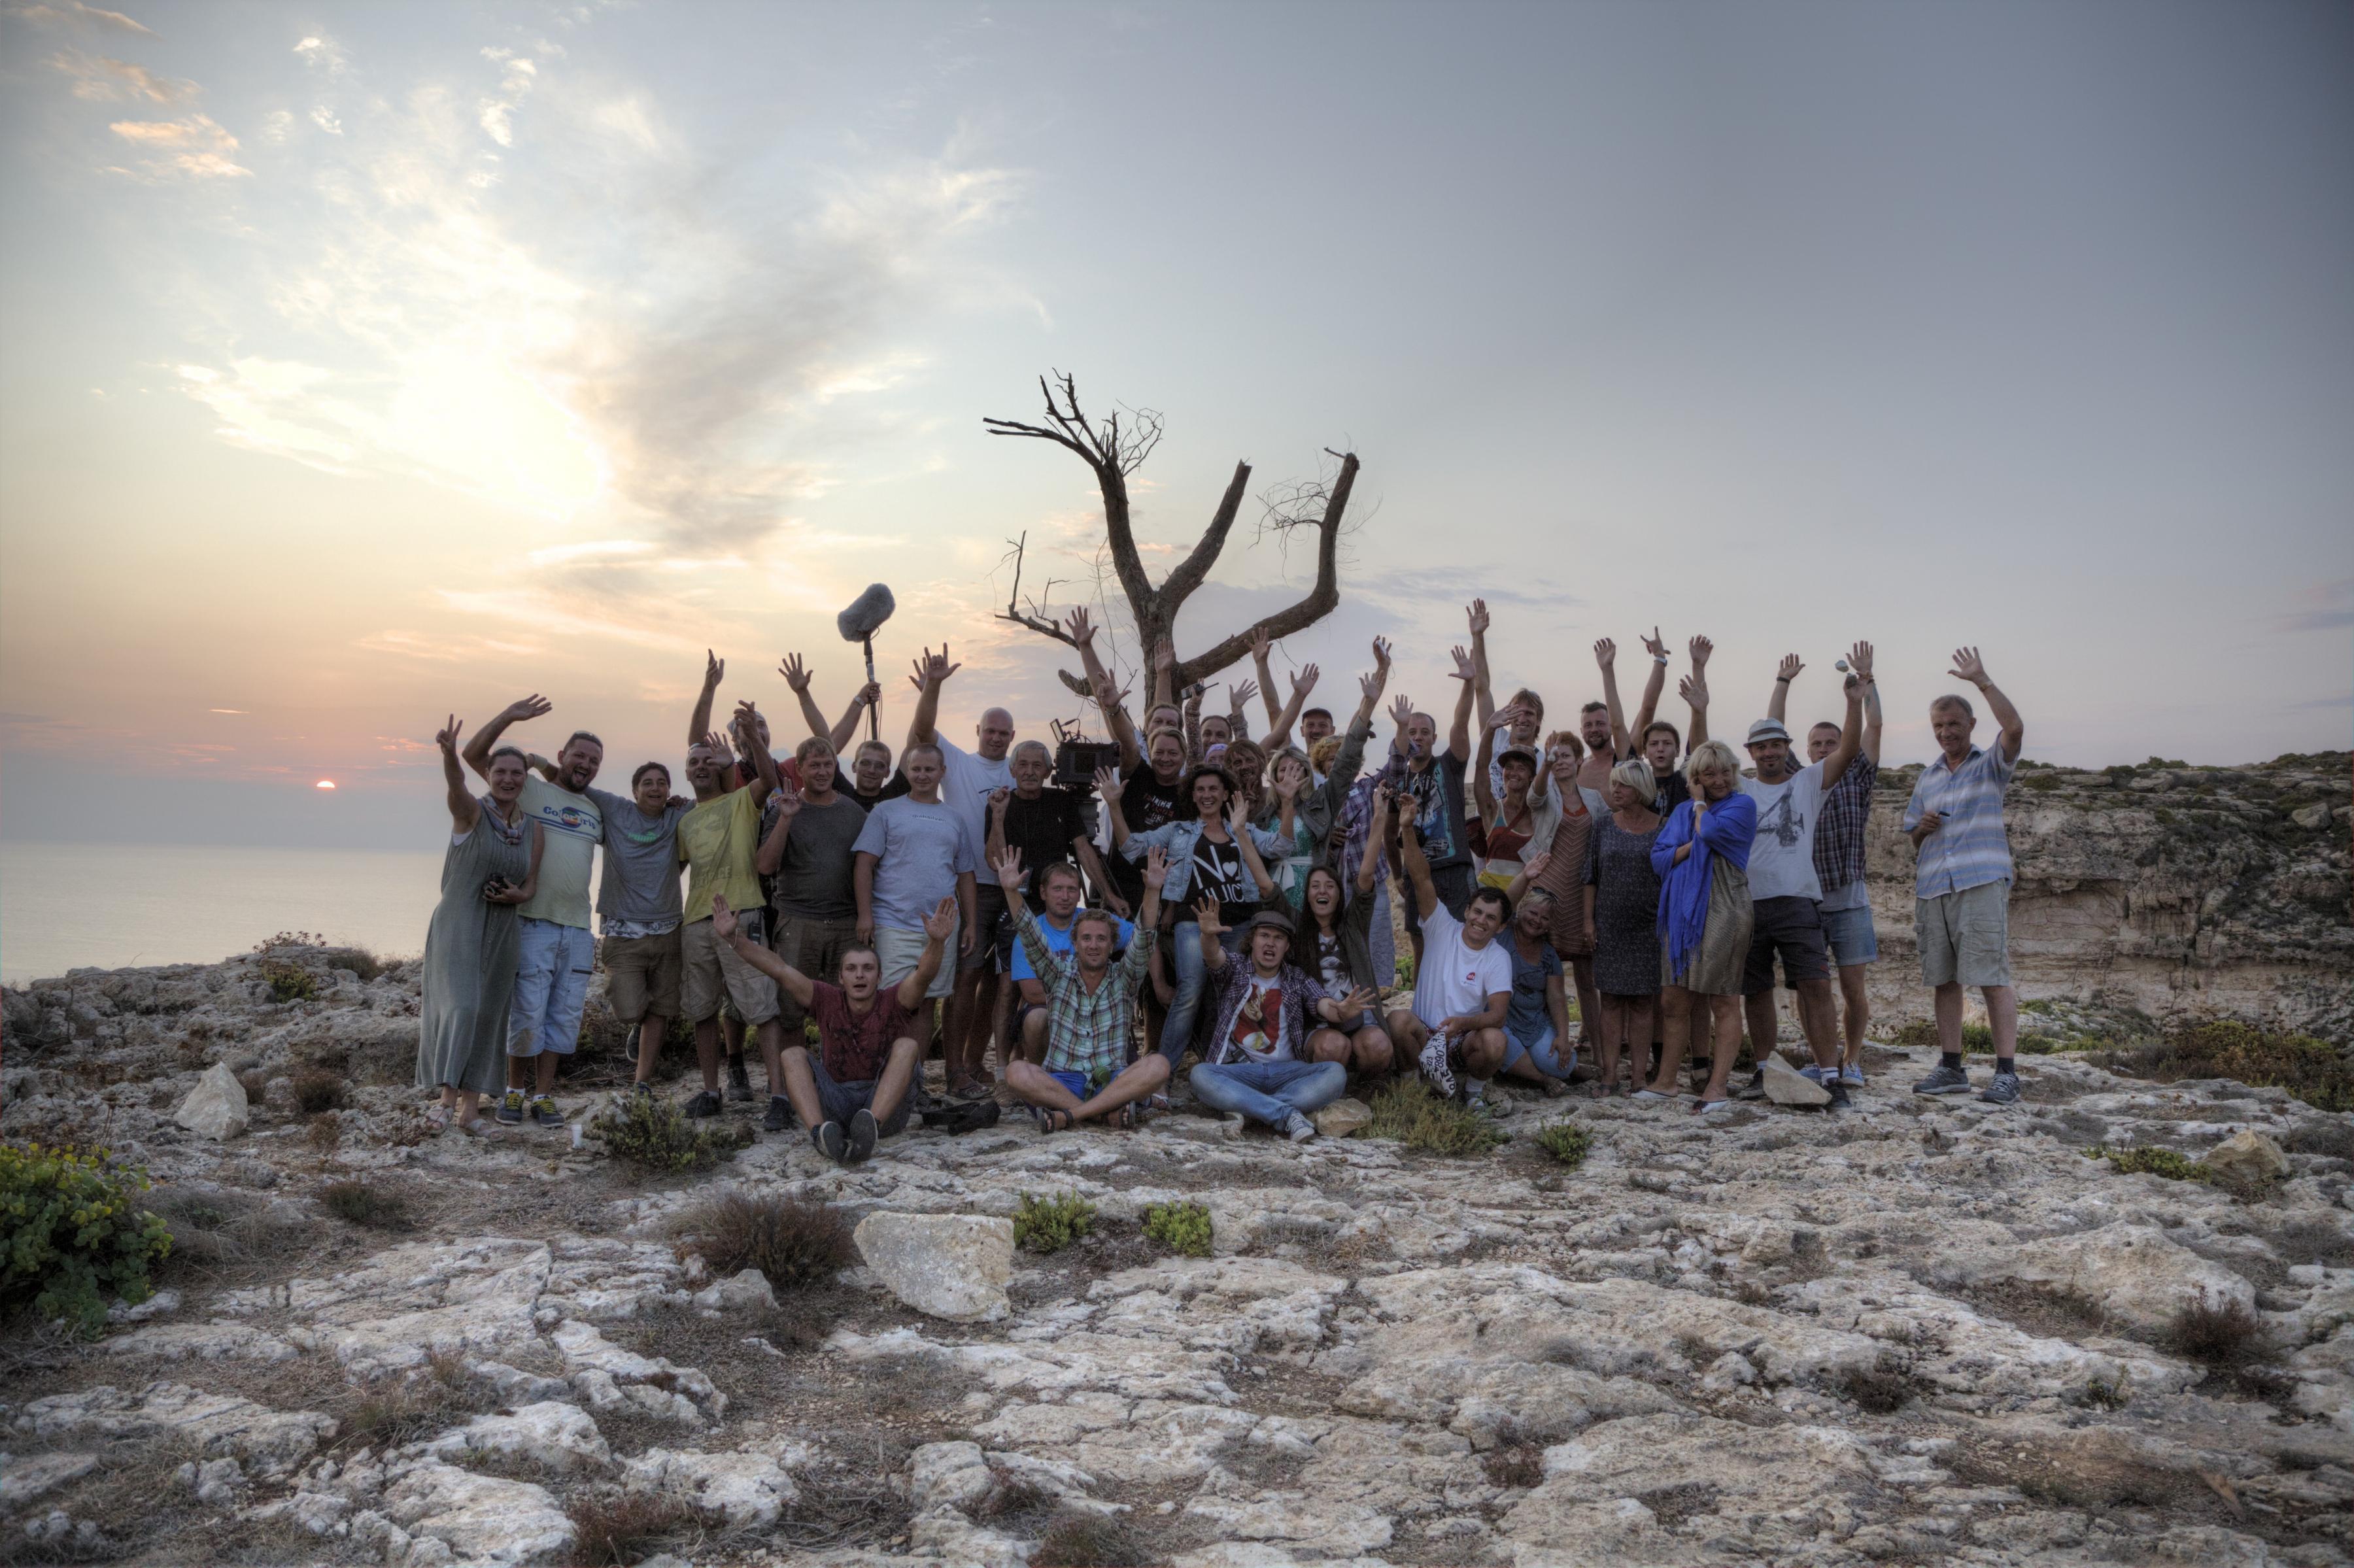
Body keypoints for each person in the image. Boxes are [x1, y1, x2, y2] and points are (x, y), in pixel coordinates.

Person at [710, 892, 953, 1165]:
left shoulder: (894, 999)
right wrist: (734, 939)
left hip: (885, 1108)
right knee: (792, 1054)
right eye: (851, 969)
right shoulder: (826, 998)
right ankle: (820, 1134)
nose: (859, 975)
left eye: (868, 969)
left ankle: (869, 1127)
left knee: (908, 1046)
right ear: (840, 977)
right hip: (836, 1104)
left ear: (879, 977)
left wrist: (936, 941)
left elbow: (923, 976)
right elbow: (779, 969)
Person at [1732, 643, 1869, 1110]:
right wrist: (1700, 707)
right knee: (1756, 991)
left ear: (1787, 750)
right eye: (1761, 746)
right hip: (1750, 902)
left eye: (1777, 744)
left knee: (1814, 986)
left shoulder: (1807, 783)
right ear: (1751, 752)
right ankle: (1765, 1070)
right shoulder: (1741, 788)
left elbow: (1848, 751)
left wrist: (1854, 703)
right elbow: (1701, 754)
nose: (1769, 751)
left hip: (1797, 900)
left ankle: (1830, 1075)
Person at [462, 694, 604, 1129]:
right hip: (532, 922)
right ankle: (514, 1092)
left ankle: (544, 1096)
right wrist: (509, 716)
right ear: (562, 756)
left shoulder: (596, 810)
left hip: (578, 928)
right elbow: (474, 757)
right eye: (578, 755)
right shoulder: (531, 789)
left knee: (564, 1017)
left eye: (593, 760)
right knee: (527, 1012)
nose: (585, 764)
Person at [1903, 647, 2026, 1105]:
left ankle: (2007, 1073)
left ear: (1971, 725)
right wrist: (1922, 828)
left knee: (1992, 975)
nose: (1946, 732)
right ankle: (1951, 1068)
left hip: (1980, 882)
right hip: (1935, 886)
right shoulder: (1928, 778)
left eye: (1953, 724)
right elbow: (1913, 838)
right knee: (1944, 979)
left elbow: (2014, 729)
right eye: (1938, 726)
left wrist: (1982, 681)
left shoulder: (1990, 764)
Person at [1104, 761, 1282, 1064]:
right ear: (1192, 794)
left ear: (1225, 793)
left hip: (1238, 923)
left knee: (1238, 992)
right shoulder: (1178, 831)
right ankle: (1162, 1072)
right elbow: (1132, 847)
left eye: (1213, 789)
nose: (1206, 795)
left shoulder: (1243, 829)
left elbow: (1280, 847)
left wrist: (1287, 802)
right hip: (1193, 922)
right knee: (1190, 991)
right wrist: (1113, 806)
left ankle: (1231, 1065)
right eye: (1200, 789)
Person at [904, 643, 1017, 1097]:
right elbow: (922, 730)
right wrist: (932, 686)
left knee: (997, 982)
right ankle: (953, 1068)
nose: (996, 738)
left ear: (1012, 736)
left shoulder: (1019, 771)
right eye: (990, 731)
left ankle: (973, 1062)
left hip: (1011, 890)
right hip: (968, 888)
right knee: (964, 978)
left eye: (1003, 733)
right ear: (978, 731)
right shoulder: (959, 764)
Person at [418, 719, 542, 1132]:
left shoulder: (533, 829)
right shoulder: (471, 813)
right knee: (464, 1007)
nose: (508, 779)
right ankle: (445, 1100)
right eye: (500, 771)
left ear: (525, 779)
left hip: (503, 929)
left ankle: (470, 1111)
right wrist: (450, 756)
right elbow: (456, 786)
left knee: (490, 1014)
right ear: (487, 775)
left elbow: (531, 886)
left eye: (516, 773)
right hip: (460, 923)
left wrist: (518, 896)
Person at [1769, 651, 1884, 1087]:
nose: (1823, 749)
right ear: (1807, 750)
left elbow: (1874, 728)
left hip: (1850, 898)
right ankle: (1823, 1060)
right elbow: (1774, 729)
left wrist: (1867, 684)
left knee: (1853, 989)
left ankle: (1851, 1060)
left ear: (1842, 745)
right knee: (1809, 987)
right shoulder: (1799, 780)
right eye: (1816, 743)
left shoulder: (1858, 776)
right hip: (1807, 902)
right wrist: (1783, 681)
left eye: (1830, 743)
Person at [998, 845, 1172, 1131]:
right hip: (1063, 1080)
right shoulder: (1056, 973)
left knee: (1159, 1065)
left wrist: (1152, 890)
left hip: (1111, 1079)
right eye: (1087, 938)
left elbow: (1144, 939)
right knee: (1016, 1072)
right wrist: (1011, 891)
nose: (1094, 945)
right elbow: (1030, 933)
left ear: (1112, 945)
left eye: (1101, 939)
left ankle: (1070, 1115)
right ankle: (1102, 1114)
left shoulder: (1125, 976)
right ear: (1075, 943)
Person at [677, 697, 787, 1125]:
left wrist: (750, 737)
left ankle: (778, 1096)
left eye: (709, 760)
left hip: (744, 916)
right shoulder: (684, 821)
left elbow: (770, 778)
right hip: (696, 922)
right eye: (694, 762)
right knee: (702, 1010)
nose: (702, 766)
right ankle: (711, 1091)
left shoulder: (743, 800)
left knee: (762, 1008)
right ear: (687, 772)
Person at [853, 738, 981, 1076]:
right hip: (893, 922)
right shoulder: (886, 811)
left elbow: (965, 874)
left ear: (942, 772)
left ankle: (914, 1081)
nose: (922, 775)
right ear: (907, 771)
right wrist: (865, 915)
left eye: (929, 769)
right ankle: (883, 1078)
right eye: (916, 769)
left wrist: (971, 923)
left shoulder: (954, 819)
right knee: (891, 1002)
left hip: (941, 929)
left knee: (926, 1003)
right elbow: (864, 863)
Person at [1641, 740, 1756, 1112]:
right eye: (1709, 774)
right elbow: (1659, 858)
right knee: (1674, 1000)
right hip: (1681, 914)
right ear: (1696, 778)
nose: (1720, 780)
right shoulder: (1681, 812)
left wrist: (1700, 807)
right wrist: (1690, 844)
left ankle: (1717, 1088)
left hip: (1725, 906)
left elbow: (1709, 832)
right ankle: (1666, 1082)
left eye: (1725, 772)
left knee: (1723, 999)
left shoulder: (1742, 805)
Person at [1188, 906, 1353, 1140]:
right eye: (1264, 936)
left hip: (1286, 1072)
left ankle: (1252, 1108)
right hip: (1239, 1071)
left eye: (1278, 938)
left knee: (1336, 1073)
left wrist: (1340, 1011)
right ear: (1252, 940)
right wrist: (1207, 935)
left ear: (1287, 947)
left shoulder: (1296, 977)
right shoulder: (1235, 968)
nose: (1271, 943)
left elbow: (1321, 1002)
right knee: (1200, 1075)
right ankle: (1286, 1114)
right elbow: (1214, 956)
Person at [1388, 798, 1514, 1102]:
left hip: (1461, 1039)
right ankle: (1412, 1086)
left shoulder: (1498, 956)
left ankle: (1472, 1094)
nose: (1481, 921)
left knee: (1496, 1041)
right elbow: (1421, 878)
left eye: (1491, 918)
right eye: (1477, 912)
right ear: (1467, 910)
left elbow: (1498, 1015)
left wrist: (1462, 1025)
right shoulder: (1441, 926)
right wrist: (1407, 829)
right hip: (1424, 1033)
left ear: (1500, 927)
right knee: (1398, 1020)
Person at [582, 761, 690, 1098]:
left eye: (662, 783)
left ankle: (641, 1082)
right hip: (623, 931)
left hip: (669, 929)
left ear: (669, 790)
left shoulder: (678, 815)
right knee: (630, 1010)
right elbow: (575, 784)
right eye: (647, 783)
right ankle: (637, 1027)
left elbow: (716, 797)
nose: (655, 788)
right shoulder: (616, 809)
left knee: (661, 1009)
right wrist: (538, 763)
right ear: (634, 790)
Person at [1254, 639, 1390, 908]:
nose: (1316, 731)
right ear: (1301, 730)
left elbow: (1355, 736)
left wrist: (1381, 671)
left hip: (1327, 872)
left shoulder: (1332, 780)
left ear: (1332, 730)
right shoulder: (1291, 759)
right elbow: (1274, 711)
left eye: (1323, 726)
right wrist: (1261, 664)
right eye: (1310, 726)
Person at [755, 736, 869, 1046]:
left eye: (828, 765)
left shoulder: (853, 812)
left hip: (846, 924)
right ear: (800, 770)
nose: (822, 772)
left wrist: (866, 916)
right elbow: (765, 865)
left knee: (847, 1008)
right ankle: (796, 1070)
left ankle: (838, 1069)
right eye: (814, 765)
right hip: (797, 922)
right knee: (791, 1009)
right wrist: (787, 819)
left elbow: (868, 867)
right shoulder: (783, 809)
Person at [1386, 616, 1479, 921]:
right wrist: (1397, 875)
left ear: (1434, 738)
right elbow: (1389, 832)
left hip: (1454, 867)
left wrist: (1469, 684)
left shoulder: (1449, 765)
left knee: (1463, 937)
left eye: (1424, 732)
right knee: (1420, 939)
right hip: (1416, 871)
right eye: (1412, 732)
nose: (1418, 738)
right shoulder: (1397, 780)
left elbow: (1461, 724)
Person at [1296, 806, 1395, 1076]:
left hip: (1358, 1022)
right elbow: (1268, 891)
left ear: (1340, 894)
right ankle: (1328, 1088)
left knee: (1378, 1046)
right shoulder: (1298, 932)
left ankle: (1362, 1087)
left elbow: (1365, 878)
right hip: (1319, 1026)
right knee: (1333, 1047)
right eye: (1315, 886)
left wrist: (1378, 821)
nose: (1323, 891)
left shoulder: (1353, 924)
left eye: (1330, 886)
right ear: (1307, 896)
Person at [1586, 756, 1664, 1096]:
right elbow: (1589, 876)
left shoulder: (1663, 826)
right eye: (1614, 783)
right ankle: (1609, 1076)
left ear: (1641, 789)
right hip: (1609, 926)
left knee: (1644, 1003)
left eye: (1623, 785)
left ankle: (1638, 1078)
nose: (1615, 790)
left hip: (1649, 928)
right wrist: (1588, 921)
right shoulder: (1603, 826)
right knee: (1611, 1001)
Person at [1007, 862, 1133, 1062]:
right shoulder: (1031, 933)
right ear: (1043, 893)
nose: (1065, 897)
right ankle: (1042, 1072)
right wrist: (1080, 1002)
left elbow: (1143, 941)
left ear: (1079, 893)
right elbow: (1032, 993)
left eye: (1072, 890)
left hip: (1101, 1008)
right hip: (1053, 1009)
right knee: (1036, 1019)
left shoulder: (1096, 922)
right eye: (1057, 889)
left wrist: (1159, 984)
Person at [1494, 851, 1575, 1092]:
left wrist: (1563, 1036)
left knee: (1563, 1065)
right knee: (1498, 1039)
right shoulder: (1503, 932)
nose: (1537, 920)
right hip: (1499, 1017)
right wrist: (1526, 876)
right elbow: (1505, 903)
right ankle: (1541, 1080)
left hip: (1532, 1022)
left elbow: (1557, 998)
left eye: (1545, 918)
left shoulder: (1549, 955)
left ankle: (1526, 1066)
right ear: (1521, 911)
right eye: (1533, 913)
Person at [1472, 704, 1561, 891]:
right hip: (1492, 898)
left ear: (1532, 776)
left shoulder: (1541, 815)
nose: (1513, 773)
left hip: (1528, 897)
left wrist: (1548, 764)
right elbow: (1481, 768)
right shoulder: (1493, 809)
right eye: (1509, 767)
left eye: (1521, 768)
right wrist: (1489, 730)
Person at [777, 651, 882, 758]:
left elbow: (831, 747)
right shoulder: (781, 767)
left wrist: (860, 701)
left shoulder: (829, 765)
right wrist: (802, 694)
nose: (822, 766)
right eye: (814, 765)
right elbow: (830, 748)